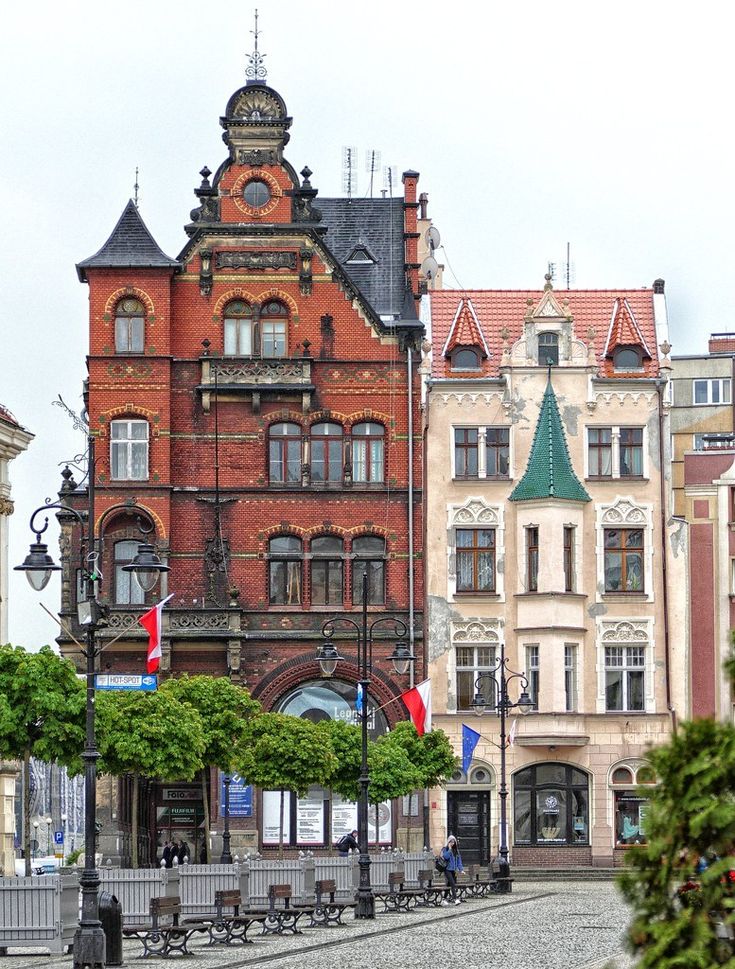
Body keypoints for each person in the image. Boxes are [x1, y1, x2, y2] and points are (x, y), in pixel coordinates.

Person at [440, 835, 464, 906]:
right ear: (448, 842)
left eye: (453, 842)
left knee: (449, 884)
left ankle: (443, 899)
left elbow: (459, 861)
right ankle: (455, 899)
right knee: (453, 884)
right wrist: (450, 849)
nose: (452, 843)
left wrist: (461, 869)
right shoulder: (445, 849)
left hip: (454, 870)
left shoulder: (456, 851)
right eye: (451, 842)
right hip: (447, 870)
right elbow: (445, 857)